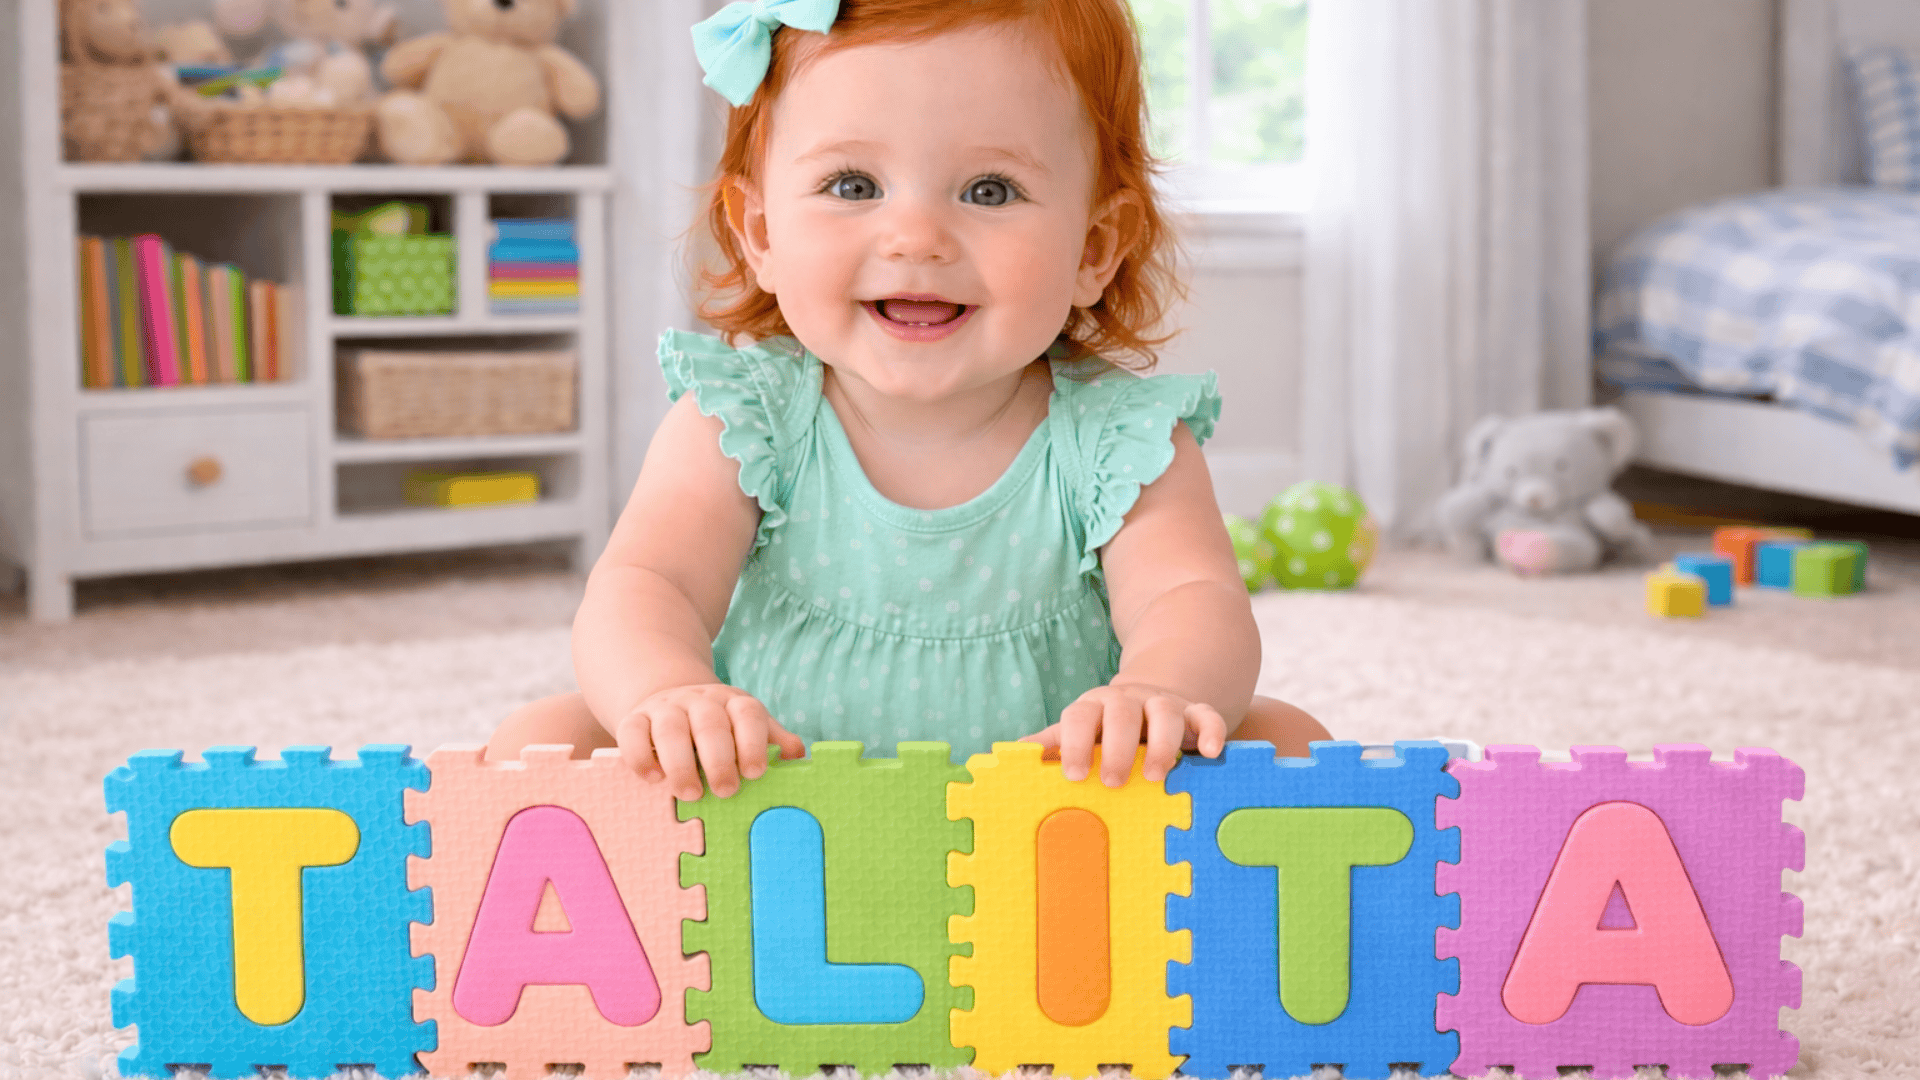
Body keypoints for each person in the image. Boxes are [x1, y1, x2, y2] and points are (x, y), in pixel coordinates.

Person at [488, 0, 1329, 800]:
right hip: (764, 800)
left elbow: (1193, 598)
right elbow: (647, 583)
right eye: (854, 186)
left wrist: (1157, 692)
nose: (917, 238)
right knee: (540, 740)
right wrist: (668, 693)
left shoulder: (1121, 441)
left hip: (1066, 812)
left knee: (1292, 741)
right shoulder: (741, 417)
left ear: (1094, 248)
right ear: (762, 234)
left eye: (989, 191)